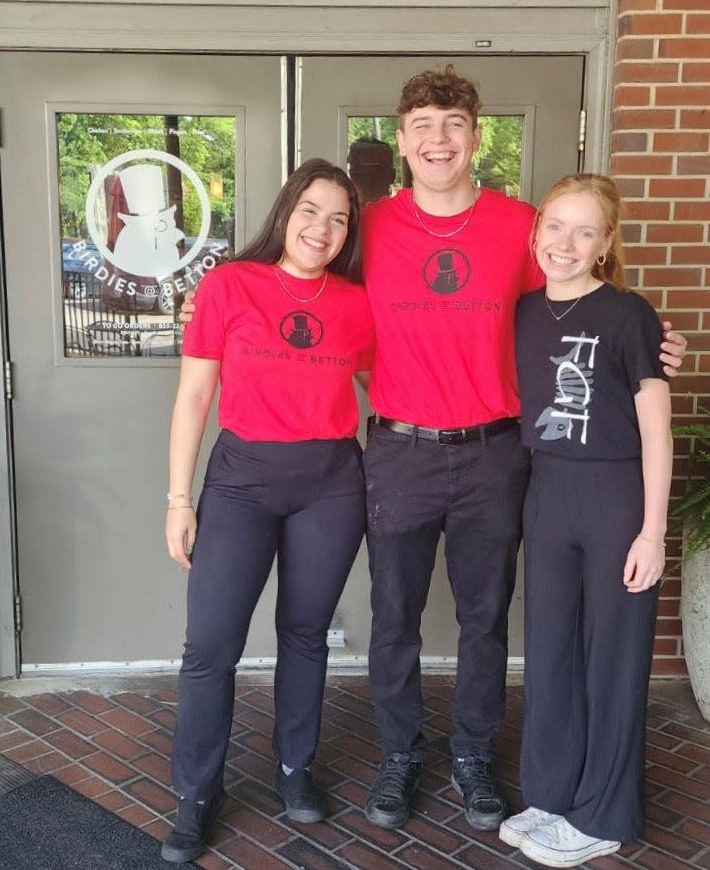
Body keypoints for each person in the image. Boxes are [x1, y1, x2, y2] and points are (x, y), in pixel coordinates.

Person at [181, 65, 686, 838]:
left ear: (475, 137)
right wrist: (207, 299)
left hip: (493, 452)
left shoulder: (519, 224)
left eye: (452, 123)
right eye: (421, 124)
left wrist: (648, 342)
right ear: (404, 138)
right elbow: (297, 286)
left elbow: (575, 292)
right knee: (395, 617)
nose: (437, 139)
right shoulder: (365, 226)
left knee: (485, 618)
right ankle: (399, 751)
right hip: (397, 451)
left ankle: (476, 755)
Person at [161, 158, 375, 864]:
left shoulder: (357, 301)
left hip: (332, 481)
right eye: (311, 209)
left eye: (338, 217)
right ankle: (196, 793)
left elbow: (414, 368)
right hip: (242, 481)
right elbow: (193, 398)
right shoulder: (228, 286)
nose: (322, 227)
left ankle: (293, 768)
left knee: (305, 632)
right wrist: (178, 498)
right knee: (210, 643)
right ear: (286, 211)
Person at [498, 174, 671, 867]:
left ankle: (603, 812)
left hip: (613, 496)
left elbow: (657, 430)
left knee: (612, 659)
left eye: (584, 232)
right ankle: (550, 791)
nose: (564, 243)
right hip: (546, 493)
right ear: (535, 230)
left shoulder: (629, 315)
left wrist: (652, 531)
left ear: (604, 245)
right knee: (548, 652)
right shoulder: (521, 311)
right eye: (555, 226)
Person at [347, 135, 397, 206]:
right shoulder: (403, 214)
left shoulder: (343, 214)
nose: (367, 181)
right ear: (392, 175)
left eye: (374, 175)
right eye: (361, 175)